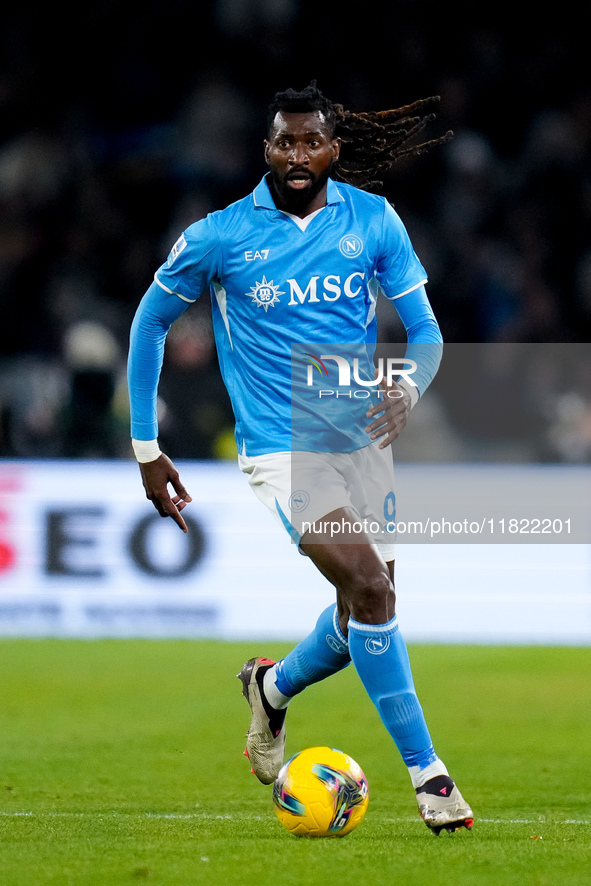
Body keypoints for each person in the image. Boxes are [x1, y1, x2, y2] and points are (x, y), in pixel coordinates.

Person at [127, 83, 473, 835]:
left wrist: (409, 387)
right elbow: (149, 324)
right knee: (371, 590)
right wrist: (146, 447)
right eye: (283, 143)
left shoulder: (372, 220)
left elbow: (425, 330)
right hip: (281, 445)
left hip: (362, 442)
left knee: (364, 614)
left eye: (309, 141)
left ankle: (272, 686)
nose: (296, 156)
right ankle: (430, 778)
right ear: (266, 150)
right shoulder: (220, 236)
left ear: (331, 148)